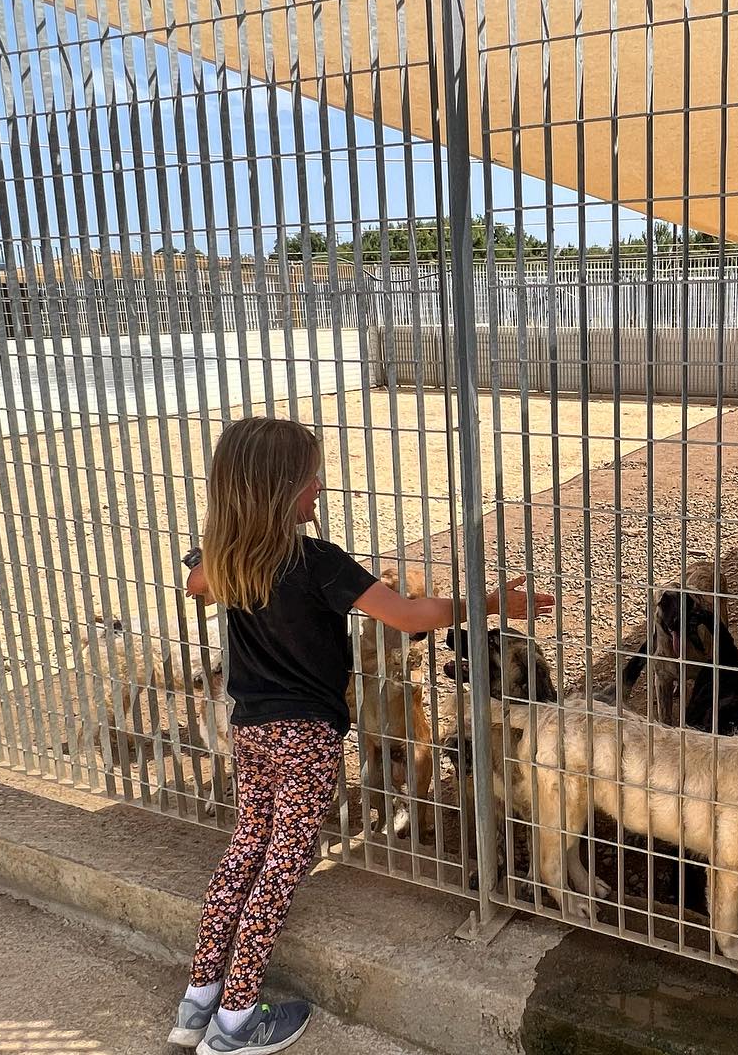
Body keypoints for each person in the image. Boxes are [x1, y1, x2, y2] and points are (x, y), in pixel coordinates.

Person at [170, 416, 551, 1055]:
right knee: (281, 869)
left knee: (244, 855)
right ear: (279, 489)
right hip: (305, 738)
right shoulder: (314, 561)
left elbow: (195, 582)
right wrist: (487, 604)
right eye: (308, 477)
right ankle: (235, 1024)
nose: (319, 484)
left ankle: (197, 1001)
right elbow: (407, 614)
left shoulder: (227, 560)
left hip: (252, 732)